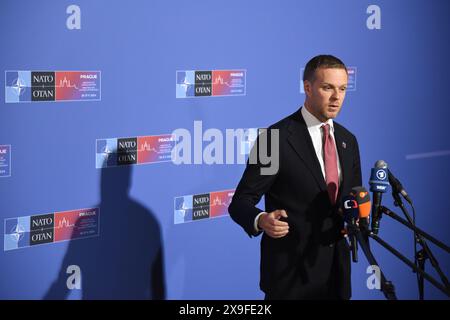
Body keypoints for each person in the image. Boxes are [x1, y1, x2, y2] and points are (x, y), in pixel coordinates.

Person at [228, 55, 362, 300]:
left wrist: (357, 212)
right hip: (290, 281)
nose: (337, 97)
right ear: (307, 88)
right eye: (327, 87)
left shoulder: (348, 140)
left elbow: (351, 200)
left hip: (336, 277)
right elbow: (240, 203)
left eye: (342, 89)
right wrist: (261, 219)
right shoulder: (274, 139)